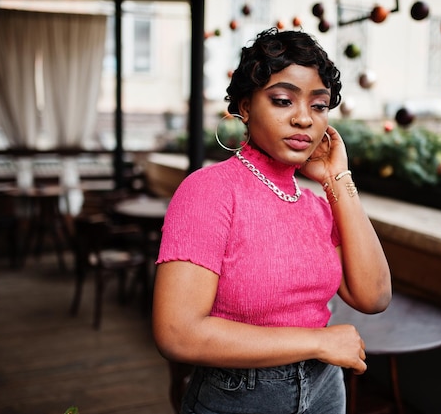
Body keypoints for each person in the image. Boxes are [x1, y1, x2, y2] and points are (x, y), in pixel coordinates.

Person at [152, 27, 391, 414]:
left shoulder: (316, 205)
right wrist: (317, 342)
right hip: (238, 396)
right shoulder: (209, 191)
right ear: (245, 107)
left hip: (325, 390)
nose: (303, 119)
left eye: (318, 105)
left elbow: (374, 295)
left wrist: (337, 180)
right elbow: (177, 333)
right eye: (283, 100)